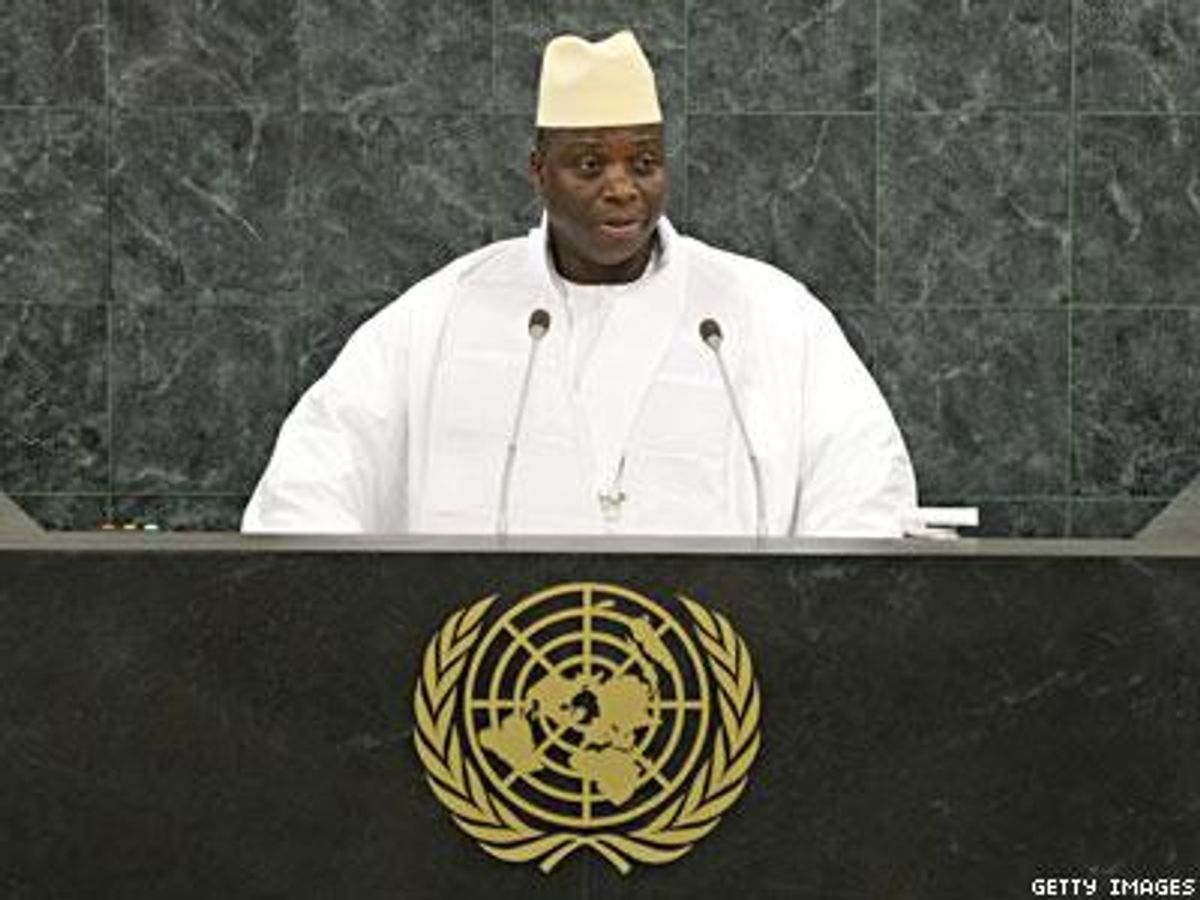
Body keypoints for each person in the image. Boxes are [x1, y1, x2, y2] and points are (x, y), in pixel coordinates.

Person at [242, 31, 917, 537]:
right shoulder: (442, 315)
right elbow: (309, 488)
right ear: (539, 172)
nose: (622, 188)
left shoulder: (770, 316)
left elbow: (864, 490)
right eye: (590, 165)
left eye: (643, 163)